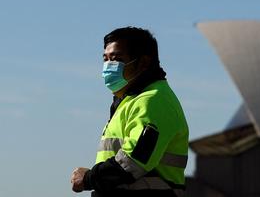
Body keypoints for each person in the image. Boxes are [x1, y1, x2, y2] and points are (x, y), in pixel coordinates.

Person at [70, 27, 189, 196]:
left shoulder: (153, 100)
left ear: (144, 63)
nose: (108, 66)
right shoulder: (129, 101)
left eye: (117, 59)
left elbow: (134, 160)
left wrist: (89, 178)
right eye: (106, 59)